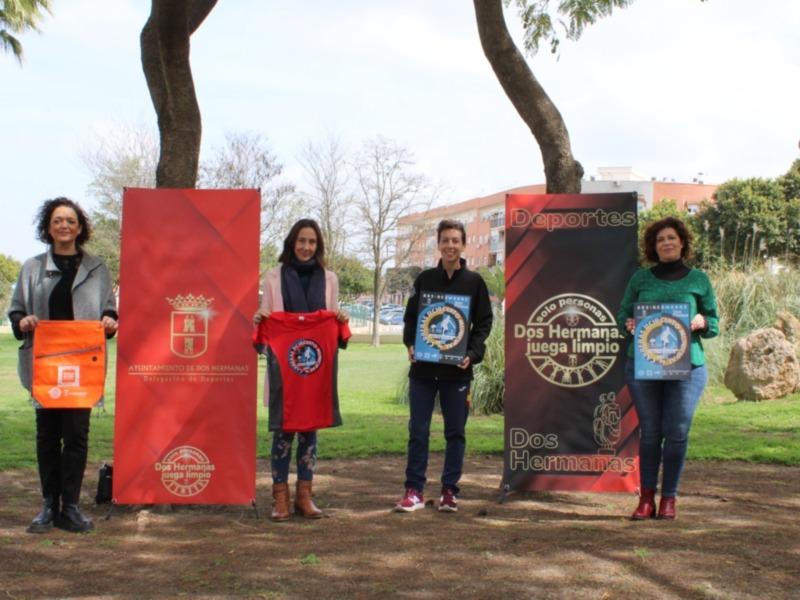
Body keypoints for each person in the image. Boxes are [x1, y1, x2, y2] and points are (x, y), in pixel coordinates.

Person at [9, 197, 118, 533]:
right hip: (45, 366)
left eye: (70, 220)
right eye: (57, 221)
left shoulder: (97, 267)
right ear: (48, 227)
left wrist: (109, 321)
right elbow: (15, 310)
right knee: (47, 434)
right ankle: (47, 506)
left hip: (83, 367)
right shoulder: (32, 267)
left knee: (76, 435)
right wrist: (23, 320)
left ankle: (70, 506)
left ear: (80, 227)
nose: (64, 226)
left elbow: (110, 311)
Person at [617, 216, 719, 520]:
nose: (667, 243)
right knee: (650, 432)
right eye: (661, 239)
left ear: (682, 242)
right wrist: (630, 324)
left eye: (672, 238)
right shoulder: (640, 279)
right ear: (654, 246)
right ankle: (646, 498)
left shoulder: (699, 279)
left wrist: (702, 322)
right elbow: (623, 315)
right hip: (643, 365)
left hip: (688, 368)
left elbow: (714, 323)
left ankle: (669, 498)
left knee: (676, 432)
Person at [253, 218, 349, 522]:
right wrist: (260, 319)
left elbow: (333, 328)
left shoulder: (330, 279)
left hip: (314, 368)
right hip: (284, 367)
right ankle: (279, 498)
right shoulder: (273, 276)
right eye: (301, 241)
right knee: (283, 431)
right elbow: (267, 326)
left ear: (318, 246)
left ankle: (305, 497)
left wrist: (340, 318)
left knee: (310, 432)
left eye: (312, 242)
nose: (306, 247)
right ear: (292, 243)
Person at [395, 219, 493, 513]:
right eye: (445, 240)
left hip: (457, 370)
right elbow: (411, 318)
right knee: (419, 431)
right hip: (423, 370)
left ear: (463, 245)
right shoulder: (424, 279)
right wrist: (410, 343)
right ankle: (413, 490)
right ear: (438, 243)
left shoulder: (474, 282)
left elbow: (484, 322)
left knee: (455, 433)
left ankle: (450, 490)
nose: (450, 245)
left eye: (455, 240)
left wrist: (472, 354)